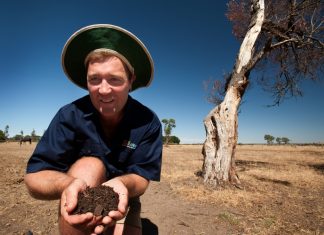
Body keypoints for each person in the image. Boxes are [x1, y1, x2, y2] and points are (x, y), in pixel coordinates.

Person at [24, 24, 162, 235]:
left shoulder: (147, 122)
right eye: (94, 79)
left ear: (131, 80)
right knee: (89, 166)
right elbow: (34, 178)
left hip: (126, 194)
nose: (104, 90)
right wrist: (69, 184)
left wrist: (122, 185)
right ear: (86, 80)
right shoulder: (69, 115)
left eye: (114, 79)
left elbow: (142, 177)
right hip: (81, 191)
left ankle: (130, 214)